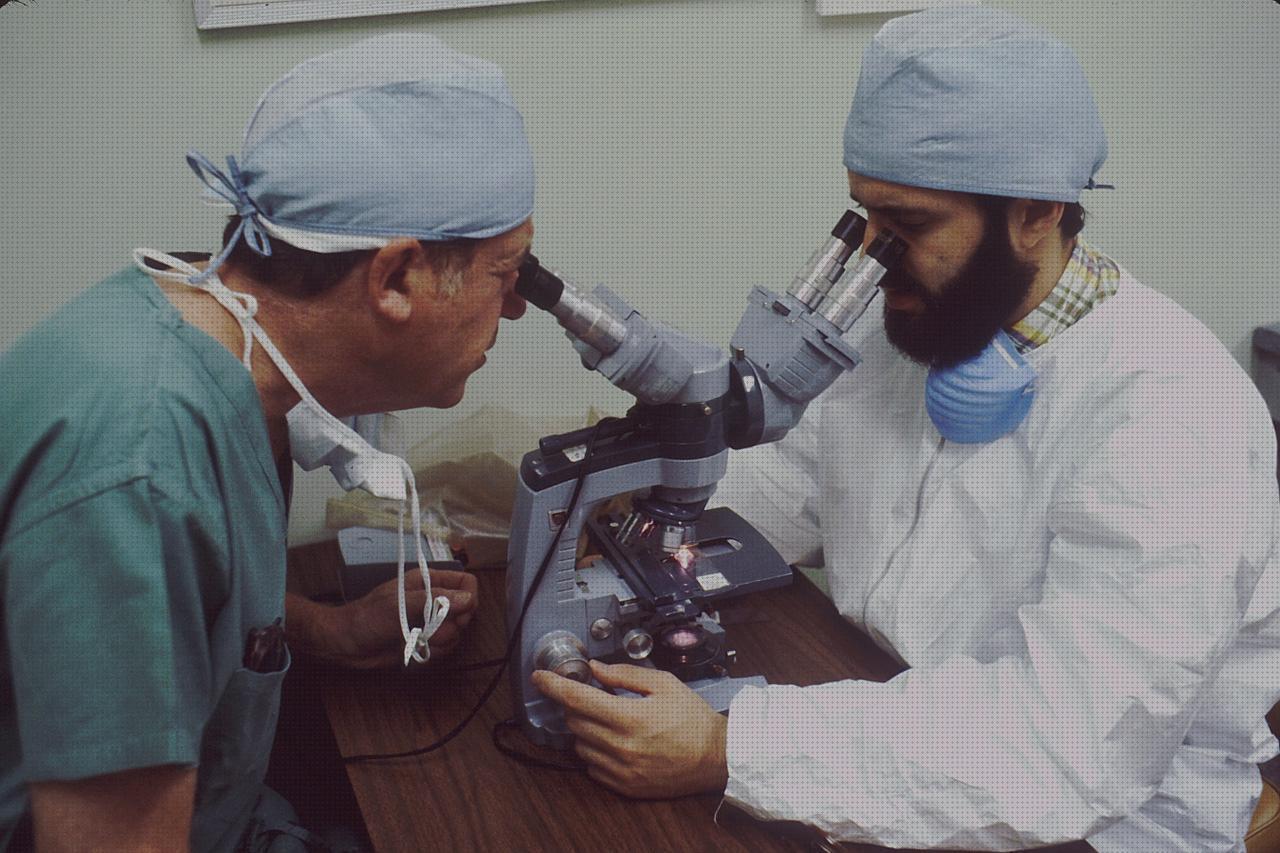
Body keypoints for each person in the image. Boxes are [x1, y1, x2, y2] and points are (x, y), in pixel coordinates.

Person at [533, 6, 1280, 851]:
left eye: (911, 227)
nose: (876, 261)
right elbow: (780, 490)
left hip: (1103, 814)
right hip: (882, 716)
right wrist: (637, 515)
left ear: (1036, 211)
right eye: (864, 222)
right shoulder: (914, 325)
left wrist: (732, 744)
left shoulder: (1176, 414)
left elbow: (1067, 743)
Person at [0, 34, 535, 851]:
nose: (518, 310)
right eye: (507, 274)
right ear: (394, 278)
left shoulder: (208, 331)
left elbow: (173, 612)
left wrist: (331, 632)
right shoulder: (141, 468)